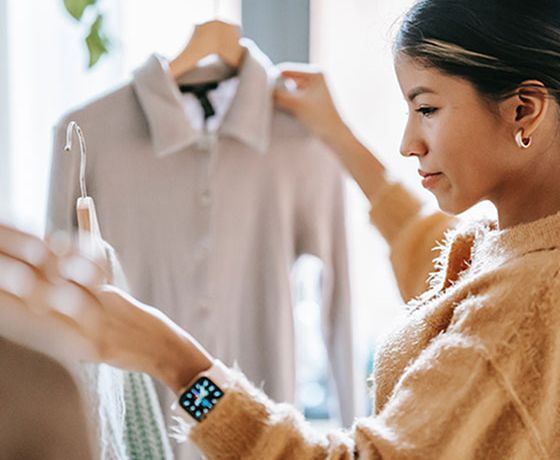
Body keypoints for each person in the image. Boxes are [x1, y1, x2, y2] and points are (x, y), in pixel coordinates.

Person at [2, 0, 560, 457]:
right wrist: (337, 135)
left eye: (427, 108)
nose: (407, 142)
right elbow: (434, 264)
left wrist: (175, 363)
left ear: (523, 111)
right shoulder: (507, 248)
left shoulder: (525, 301)